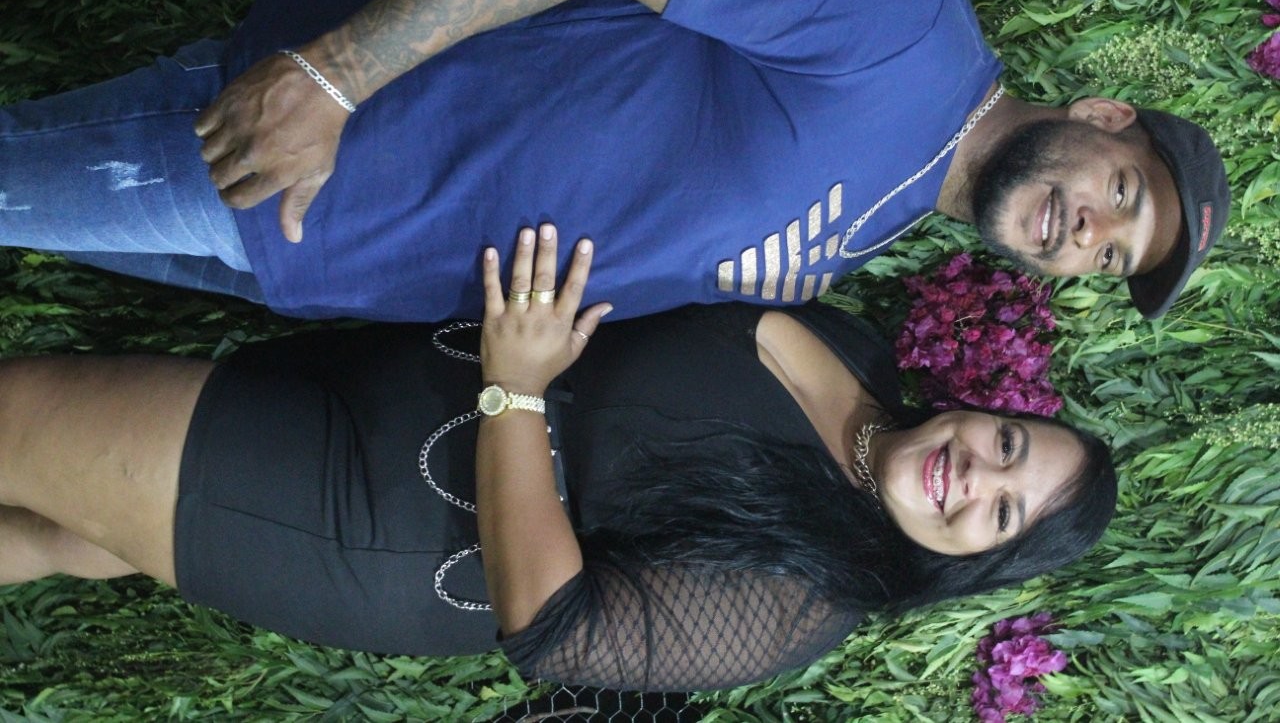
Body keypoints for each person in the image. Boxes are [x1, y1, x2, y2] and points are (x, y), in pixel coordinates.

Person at [0, 0, 1227, 322]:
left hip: (310, 261)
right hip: (308, 149)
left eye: (1109, 257)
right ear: (1099, 115)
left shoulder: (886, 224)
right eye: (1120, 193)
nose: (1088, 233)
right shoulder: (902, 21)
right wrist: (333, 78)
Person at [0, 224, 1116, 691]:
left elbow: (553, 630)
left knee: (18, 419)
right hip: (382, 376)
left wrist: (516, 387)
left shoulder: (802, 601)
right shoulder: (855, 347)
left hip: (367, 523)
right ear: (986, 410)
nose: (978, 477)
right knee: (62, 533)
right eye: (1007, 446)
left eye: (1002, 514)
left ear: (974, 559)